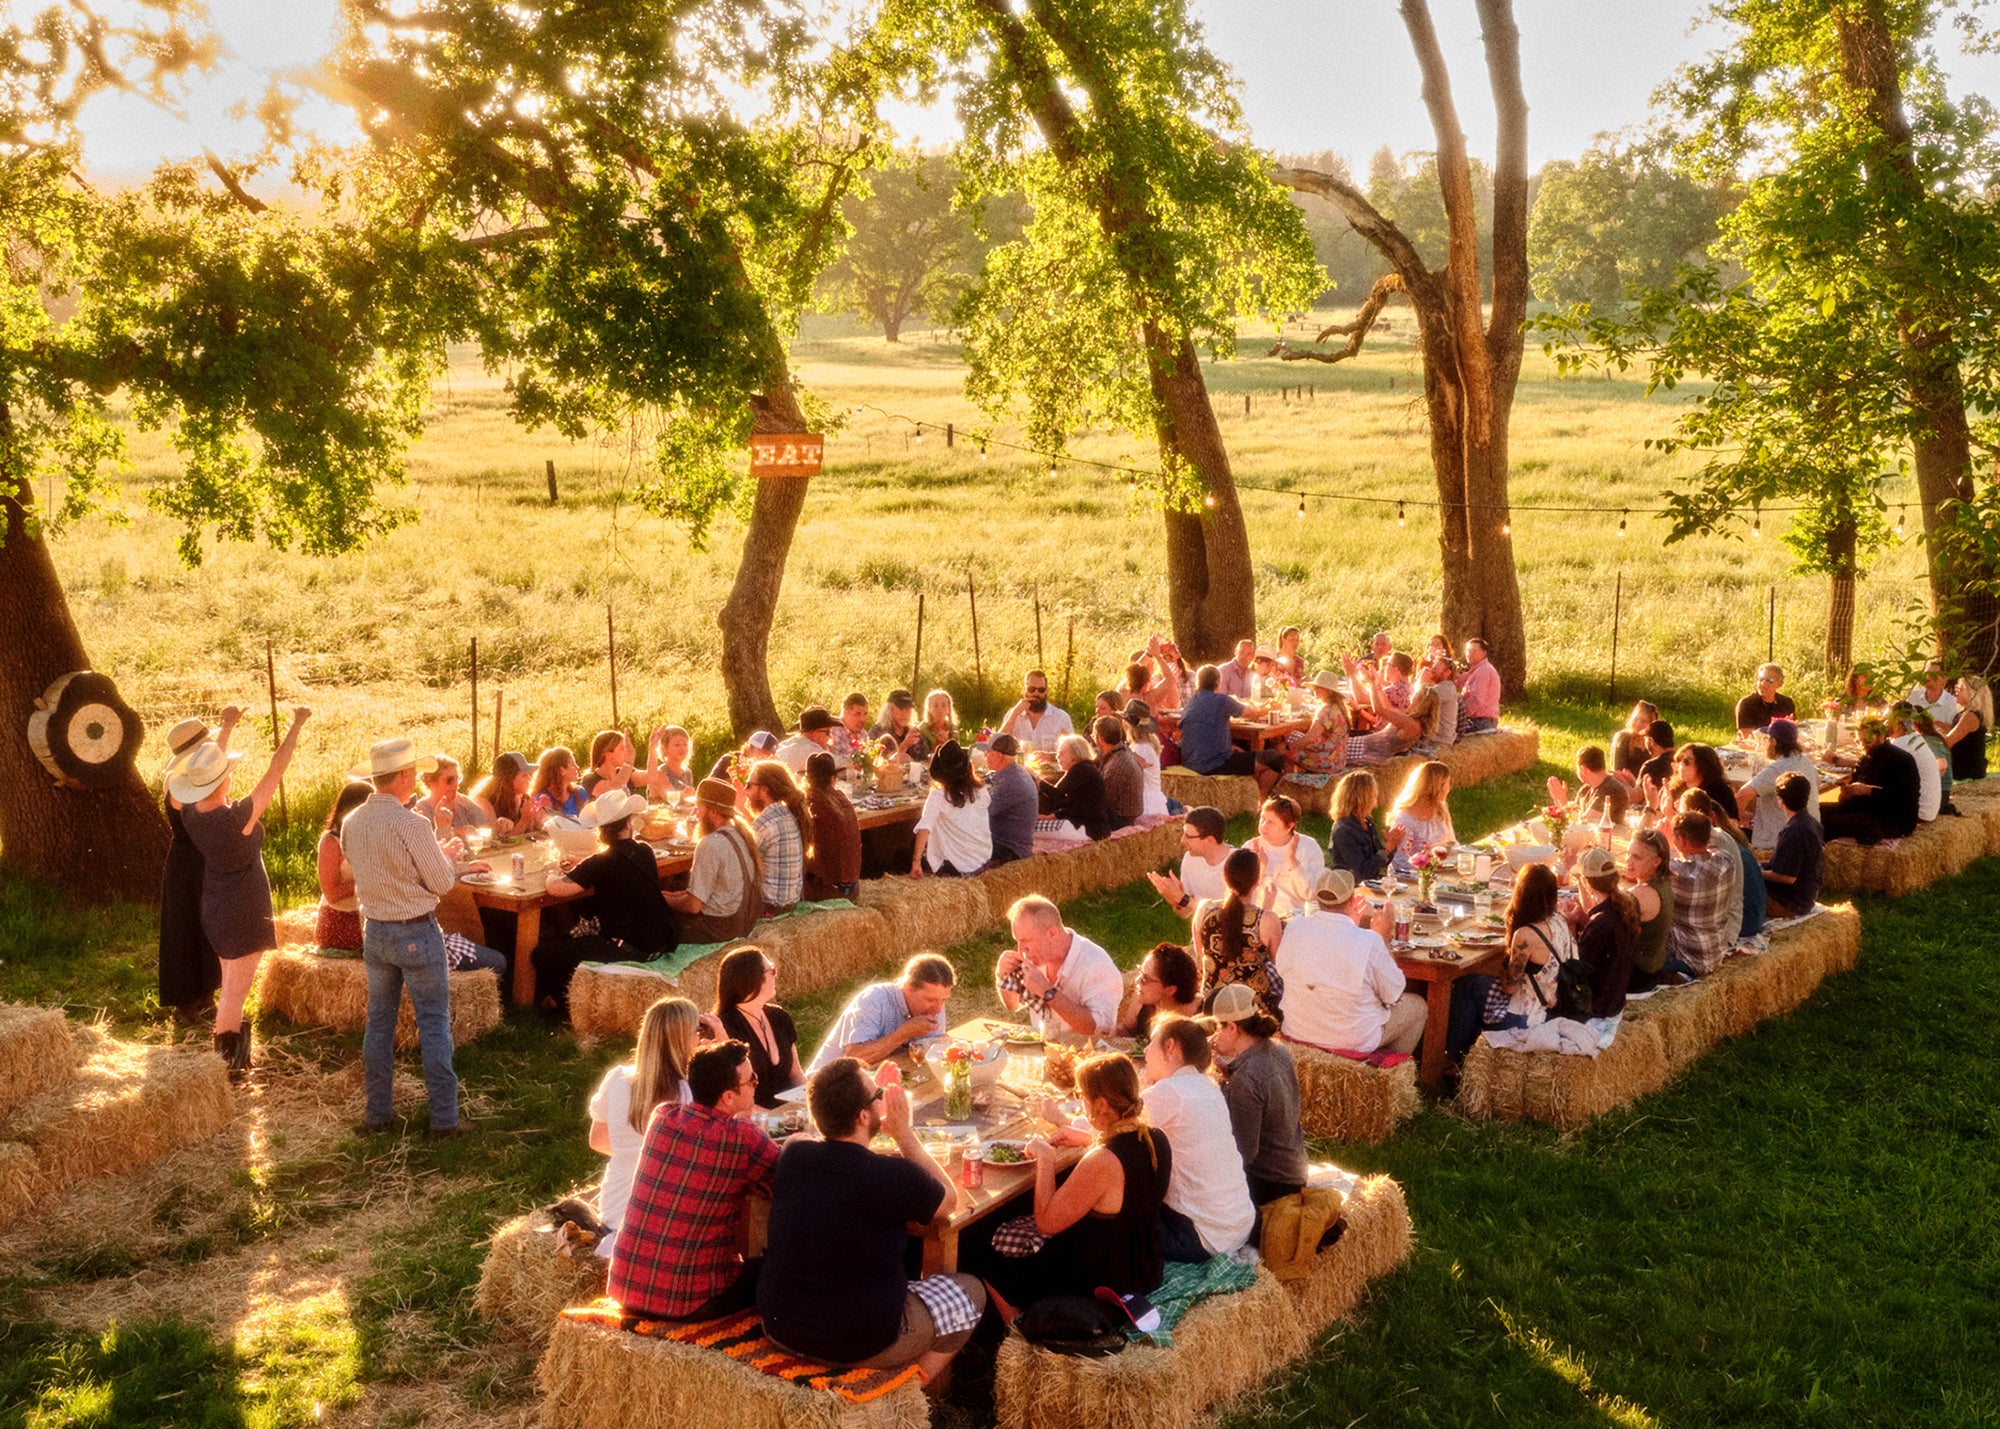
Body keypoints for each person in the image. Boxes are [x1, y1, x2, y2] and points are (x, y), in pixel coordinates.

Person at [758, 1059, 984, 1383]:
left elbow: (827, 1155)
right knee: (971, 1292)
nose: (881, 1099)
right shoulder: (894, 1176)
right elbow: (948, 1201)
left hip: (781, 1329)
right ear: (864, 1116)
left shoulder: (794, 1153)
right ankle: (900, 1392)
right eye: (877, 1094)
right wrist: (904, 1135)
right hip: (860, 1342)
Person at [975, 1054, 1170, 1316]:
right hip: (1143, 1262)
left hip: (1099, 1278)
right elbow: (1125, 1169)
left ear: (1101, 1104)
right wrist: (1090, 1139)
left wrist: (1046, 1158)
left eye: (1083, 1097)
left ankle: (1022, 1334)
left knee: (984, 1255)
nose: (1081, 1104)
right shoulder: (1155, 1138)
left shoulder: (1102, 1160)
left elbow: (1046, 1221)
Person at [343, 737, 470, 1137]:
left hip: (376, 930)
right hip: (415, 928)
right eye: (413, 771)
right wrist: (443, 857)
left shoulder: (352, 822)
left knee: (378, 1025)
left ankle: (377, 1114)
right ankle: (445, 1120)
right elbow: (442, 882)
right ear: (401, 777)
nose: (416, 777)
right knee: (433, 1024)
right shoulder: (411, 824)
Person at [173, 706, 309, 1078]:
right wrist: (296, 725)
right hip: (243, 910)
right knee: (234, 995)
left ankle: (238, 1063)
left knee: (233, 988)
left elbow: (207, 767)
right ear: (221, 782)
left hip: (216, 906)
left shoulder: (191, 812)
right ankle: (230, 1073)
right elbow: (275, 770)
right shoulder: (235, 819)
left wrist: (228, 728)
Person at [609, 1041, 779, 1320]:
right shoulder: (743, 1137)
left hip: (625, 1287)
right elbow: (793, 1180)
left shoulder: (662, 1116)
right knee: (782, 1270)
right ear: (727, 1096)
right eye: (752, 1080)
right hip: (687, 1301)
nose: (756, 1085)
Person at [536, 789, 676, 1011]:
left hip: (626, 947)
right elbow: (615, 864)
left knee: (543, 954)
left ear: (601, 831)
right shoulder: (645, 851)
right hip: (658, 941)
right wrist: (580, 863)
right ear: (627, 825)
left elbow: (556, 889)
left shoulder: (601, 863)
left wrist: (550, 871)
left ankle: (563, 1005)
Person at [589, 996, 704, 1258]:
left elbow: (597, 1140)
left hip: (616, 1208)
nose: (700, 1037)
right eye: (698, 1030)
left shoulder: (617, 1078)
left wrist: (636, 1153)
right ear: (683, 1038)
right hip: (667, 1216)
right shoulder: (691, 1091)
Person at [1140, 1016, 1256, 1262]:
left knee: (1113, 1209)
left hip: (1200, 1238)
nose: (1145, 1051)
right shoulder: (1208, 1086)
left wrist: (1060, 1119)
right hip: (1237, 1227)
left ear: (1170, 1047)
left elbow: (1110, 1127)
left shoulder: (1171, 1091)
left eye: (1151, 1043)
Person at [1275, 868, 1422, 1054]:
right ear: (1351, 898)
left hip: (1299, 1029)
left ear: (1318, 899)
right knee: (1417, 1006)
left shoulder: (1294, 926)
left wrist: (1352, 923)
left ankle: (1385, 1073)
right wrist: (1383, 936)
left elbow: (1284, 969)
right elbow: (1394, 994)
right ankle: (1388, 1069)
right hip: (1350, 1038)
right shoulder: (1370, 941)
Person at [158, 710, 241, 1019]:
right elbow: (209, 777)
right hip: (188, 862)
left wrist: (229, 726)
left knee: (208, 926)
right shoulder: (181, 783)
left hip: (200, 858)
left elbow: (213, 764)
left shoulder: (195, 773)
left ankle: (205, 996)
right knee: (186, 927)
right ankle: (186, 1002)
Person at [1446, 863, 1572, 1060]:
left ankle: (1450, 1056)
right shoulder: (1560, 921)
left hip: (1524, 1017)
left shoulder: (1525, 935)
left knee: (1468, 984)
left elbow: (1510, 988)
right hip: (1552, 1008)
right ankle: (1470, 1051)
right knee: (1480, 985)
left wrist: (1501, 970)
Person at [1205, 984, 1307, 1210]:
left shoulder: (1246, 1079)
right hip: (1293, 1169)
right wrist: (1228, 1073)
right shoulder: (1277, 1050)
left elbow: (1243, 1154)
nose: (1213, 1037)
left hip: (1268, 1185)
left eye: (1216, 1028)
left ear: (1232, 1027)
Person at [996, 895, 1124, 1036]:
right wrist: (1002, 976)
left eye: (1026, 941)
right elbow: (1013, 1005)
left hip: (1085, 1054)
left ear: (1052, 933)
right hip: (1042, 1049)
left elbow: (1100, 1030)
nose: (1021, 950)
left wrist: (1047, 992)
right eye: (1018, 941)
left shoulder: (1096, 966)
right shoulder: (1036, 957)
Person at [809, 954, 955, 1071]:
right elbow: (855, 1057)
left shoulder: (935, 1006)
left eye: (943, 1000)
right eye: (930, 1000)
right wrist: (905, 1033)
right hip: (827, 1086)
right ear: (909, 987)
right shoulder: (874, 999)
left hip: (879, 1080)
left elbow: (933, 1051)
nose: (938, 1008)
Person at [665, 779, 765, 942]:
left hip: (719, 928)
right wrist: (673, 896)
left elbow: (693, 906)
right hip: (743, 923)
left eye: (699, 807)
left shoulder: (710, 843)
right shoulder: (742, 835)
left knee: (656, 920)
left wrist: (663, 899)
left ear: (713, 812)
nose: (695, 813)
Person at [1191, 848, 1285, 1020]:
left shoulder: (1204, 909)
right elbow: (1279, 965)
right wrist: (1267, 909)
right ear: (1256, 882)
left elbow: (1199, 952)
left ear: (1224, 876)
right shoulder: (1267, 919)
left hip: (1212, 1005)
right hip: (1252, 1010)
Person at [713, 946, 801, 1107]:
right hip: (749, 1119)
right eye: (772, 970)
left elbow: (796, 1074)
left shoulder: (779, 1017)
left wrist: (810, 1107)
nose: (776, 976)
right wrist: (773, 1119)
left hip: (788, 1115)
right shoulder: (724, 1027)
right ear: (754, 979)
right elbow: (732, 1097)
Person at [1177, 664, 1283, 794]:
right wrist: (1268, 708)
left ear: (1198, 683)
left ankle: (1251, 797)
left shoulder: (1191, 703)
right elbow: (1251, 713)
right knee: (1274, 758)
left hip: (1191, 762)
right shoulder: (1222, 700)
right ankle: (1259, 800)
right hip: (1214, 765)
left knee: (1240, 751)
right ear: (1218, 683)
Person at [1662, 810, 1741, 980]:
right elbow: (1707, 851)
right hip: (1714, 951)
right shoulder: (1726, 862)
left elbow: (1654, 865)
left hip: (1686, 957)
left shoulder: (1678, 875)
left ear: (1683, 841)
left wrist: (1663, 842)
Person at [1822, 716, 1921, 846]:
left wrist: (1869, 790)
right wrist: (1847, 793)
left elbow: (1902, 799)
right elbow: (1853, 793)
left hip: (1893, 819)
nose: (1863, 745)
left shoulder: (1901, 760)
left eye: (1867, 741)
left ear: (1880, 737)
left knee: (1828, 823)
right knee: (1814, 811)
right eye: (1859, 741)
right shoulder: (1866, 758)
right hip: (1865, 810)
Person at [1568, 846, 1640, 1016]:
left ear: (1587, 882)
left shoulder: (1600, 925)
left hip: (1595, 1005)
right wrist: (1586, 921)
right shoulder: (1628, 905)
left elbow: (1577, 971)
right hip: (1614, 998)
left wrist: (1569, 929)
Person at [1737, 720, 1821, 849]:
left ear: (1774, 742)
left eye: (1768, 739)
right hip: (1810, 834)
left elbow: (1742, 795)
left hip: (1777, 841)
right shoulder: (1805, 760)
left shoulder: (1778, 768)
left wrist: (1739, 819)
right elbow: (1818, 782)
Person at [911, 740, 990, 875]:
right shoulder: (981, 790)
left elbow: (924, 829)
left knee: (901, 857)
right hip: (981, 860)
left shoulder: (938, 796)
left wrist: (915, 862)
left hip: (956, 867)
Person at [314, 781, 374, 952]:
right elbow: (331, 894)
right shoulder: (331, 842)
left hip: (370, 916)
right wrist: (369, 880)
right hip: (341, 920)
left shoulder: (372, 836)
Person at [744, 760, 809, 913]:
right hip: (790, 902)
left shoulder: (765, 823)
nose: (746, 791)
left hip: (770, 906)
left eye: (749, 785)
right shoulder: (788, 814)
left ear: (764, 790)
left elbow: (743, 866)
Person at [1245, 794, 1324, 918]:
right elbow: (1243, 893)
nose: (1263, 825)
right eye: (1262, 818)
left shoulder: (1308, 847)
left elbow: (1310, 894)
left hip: (1295, 918)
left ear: (1289, 826)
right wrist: (1260, 868)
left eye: (1270, 822)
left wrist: (1292, 862)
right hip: (1259, 917)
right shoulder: (1251, 847)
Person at [1146, 805, 1231, 917]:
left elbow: (1229, 915)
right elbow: (1184, 913)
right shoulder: (1190, 859)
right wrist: (1175, 900)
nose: (1182, 840)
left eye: (1188, 836)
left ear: (1209, 840)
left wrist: (1183, 899)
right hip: (1200, 931)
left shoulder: (1237, 863)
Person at [1760, 774, 1826, 918]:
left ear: (1781, 799)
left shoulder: (1793, 831)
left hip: (1789, 902)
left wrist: (1755, 872)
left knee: (1739, 887)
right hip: (1806, 897)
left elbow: (1787, 877)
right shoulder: (1812, 823)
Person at [1619, 828, 1676, 994]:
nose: (1628, 861)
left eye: (1636, 857)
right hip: (1652, 970)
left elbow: (1597, 922)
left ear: (1656, 861)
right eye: (1628, 853)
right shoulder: (1663, 884)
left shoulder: (1641, 894)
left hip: (1635, 977)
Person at [801, 752, 861, 900]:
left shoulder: (811, 803)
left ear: (807, 780)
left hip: (827, 891)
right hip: (853, 889)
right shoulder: (842, 799)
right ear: (832, 779)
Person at [1116, 943, 1203, 1041]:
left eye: (1145, 979)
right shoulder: (1141, 998)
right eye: (1140, 972)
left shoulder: (1199, 1015)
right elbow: (1128, 1030)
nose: (1137, 980)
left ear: (1170, 990)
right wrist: (1115, 1031)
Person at [1386, 761, 1456, 878]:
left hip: (1439, 873)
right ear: (1438, 787)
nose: (1449, 788)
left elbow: (1452, 843)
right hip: (1411, 878)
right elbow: (1400, 862)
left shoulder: (1441, 809)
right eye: (1447, 783)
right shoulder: (1405, 818)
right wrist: (1429, 868)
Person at [980, 733, 1038, 865]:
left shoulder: (1011, 782)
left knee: (958, 848)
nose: (985, 756)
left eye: (987, 753)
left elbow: (981, 815)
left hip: (1010, 849)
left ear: (999, 756)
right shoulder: (1012, 772)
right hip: (1006, 842)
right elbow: (985, 780)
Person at [1325, 771, 1392, 882]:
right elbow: (1362, 873)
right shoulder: (1344, 830)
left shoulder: (1367, 823)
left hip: (1371, 884)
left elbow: (1381, 863)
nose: (1376, 798)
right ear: (1363, 797)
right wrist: (1387, 849)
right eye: (1374, 794)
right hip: (1350, 889)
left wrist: (1390, 846)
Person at [1043, 732, 1112, 840]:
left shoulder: (1080, 770)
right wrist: (1050, 817)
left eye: (1061, 753)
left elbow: (1057, 794)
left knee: (1030, 829)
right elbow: (1074, 804)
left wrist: (1037, 781)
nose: (1057, 757)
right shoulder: (1085, 767)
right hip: (1093, 828)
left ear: (1073, 754)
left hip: (1085, 828)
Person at [1281, 671, 1350, 776]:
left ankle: (1289, 784)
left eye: (1318, 688)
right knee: (1294, 740)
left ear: (1327, 691)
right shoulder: (1339, 708)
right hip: (1338, 759)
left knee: (1284, 753)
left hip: (1326, 761)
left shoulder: (1326, 711)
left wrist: (1287, 748)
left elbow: (1310, 738)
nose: (1314, 690)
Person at [1886, 703, 1942, 824]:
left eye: (1888, 718)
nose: (1885, 723)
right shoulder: (1914, 738)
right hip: (1928, 811)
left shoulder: (1902, 744)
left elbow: (1876, 769)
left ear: (1898, 719)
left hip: (1918, 813)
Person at [998, 669, 1074, 753]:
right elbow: (997, 745)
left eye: (1041, 690)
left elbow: (1072, 753)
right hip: (1018, 765)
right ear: (1024, 690)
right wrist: (1014, 714)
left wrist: (1049, 757)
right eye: (1032, 689)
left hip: (1050, 765)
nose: (1036, 693)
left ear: (1046, 691)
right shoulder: (1013, 714)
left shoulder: (1061, 717)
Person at [470, 750, 544, 835]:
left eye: (528, 774)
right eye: (524, 775)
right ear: (508, 780)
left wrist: (537, 817)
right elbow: (497, 840)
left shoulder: (523, 797)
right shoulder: (485, 802)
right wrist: (524, 821)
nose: (530, 778)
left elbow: (529, 833)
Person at [1665, 743, 1741, 824]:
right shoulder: (1674, 789)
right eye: (1680, 760)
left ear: (1703, 767)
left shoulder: (1721, 793)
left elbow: (1731, 825)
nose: (1680, 765)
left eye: (1686, 761)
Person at [1556, 746, 1630, 827]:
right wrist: (1561, 803)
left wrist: (1562, 801)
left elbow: (1584, 824)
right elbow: (1574, 811)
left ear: (1583, 769)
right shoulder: (1586, 789)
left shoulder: (1611, 790)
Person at [1122, 700, 1172, 818]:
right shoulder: (1143, 744)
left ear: (1127, 724)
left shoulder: (1141, 748)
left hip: (1147, 805)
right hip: (1151, 800)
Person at [1094, 715, 1145, 830]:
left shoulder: (1115, 766)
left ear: (1100, 739)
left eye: (1094, 736)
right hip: (1123, 815)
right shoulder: (1121, 751)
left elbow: (1102, 802)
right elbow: (1088, 754)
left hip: (1120, 820)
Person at [415, 754, 486, 831]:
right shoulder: (421, 810)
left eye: (458, 779)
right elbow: (423, 840)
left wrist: (498, 826)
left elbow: (485, 827)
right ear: (431, 782)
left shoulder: (463, 802)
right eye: (450, 780)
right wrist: (456, 832)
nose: (456, 784)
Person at [1941, 675, 1991, 781]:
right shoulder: (1965, 713)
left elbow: (1948, 741)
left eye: (1960, 688)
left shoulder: (1970, 716)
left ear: (1972, 693)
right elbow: (1956, 730)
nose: (1956, 690)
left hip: (1966, 771)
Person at [774, 707, 838, 780]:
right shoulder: (811, 749)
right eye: (828, 732)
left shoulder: (787, 744)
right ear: (815, 734)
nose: (830, 736)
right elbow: (841, 764)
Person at [1455, 639, 1501, 734]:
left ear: (1484, 653)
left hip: (1481, 722)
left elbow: (1476, 700)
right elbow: (1459, 682)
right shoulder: (1476, 670)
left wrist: (1459, 716)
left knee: (1445, 731)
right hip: (1479, 720)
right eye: (1467, 650)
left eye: (1474, 651)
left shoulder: (1484, 671)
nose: (1469, 654)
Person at [1736, 663, 1796, 734]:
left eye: (1769, 680)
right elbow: (1747, 736)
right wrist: (1774, 729)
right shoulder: (1746, 704)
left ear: (1779, 683)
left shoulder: (1786, 703)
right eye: (1760, 680)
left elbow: (1793, 732)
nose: (1763, 684)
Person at [531, 746, 589, 819]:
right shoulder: (543, 798)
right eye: (572, 765)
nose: (577, 767)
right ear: (562, 771)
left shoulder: (580, 793)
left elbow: (588, 822)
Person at [869, 688, 923, 763]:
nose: (904, 714)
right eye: (900, 709)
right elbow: (876, 763)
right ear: (890, 710)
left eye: (907, 710)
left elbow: (924, 761)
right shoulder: (878, 731)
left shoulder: (914, 733)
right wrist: (904, 745)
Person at [1611, 700, 1659, 779]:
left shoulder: (1654, 742)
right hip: (1625, 785)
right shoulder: (1623, 738)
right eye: (1636, 719)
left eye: (1644, 722)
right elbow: (1618, 771)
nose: (1638, 724)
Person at [643, 726, 696, 797]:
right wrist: (683, 794)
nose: (682, 748)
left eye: (685, 744)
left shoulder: (687, 773)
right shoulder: (659, 773)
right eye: (677, 745)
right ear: (665, 748)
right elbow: (668, 797)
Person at [1906, 661, 1960, 726]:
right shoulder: (1913, 696)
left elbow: (1952, 730)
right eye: (1926, 674)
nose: (1927, 677)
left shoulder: (1953, 704)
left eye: (1933, 674)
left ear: (1945, 679)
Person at [831, 694, 873, 766]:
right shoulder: (833, 731)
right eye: (857, 714)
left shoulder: (864, 734)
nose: (862, 719)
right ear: (845, 713)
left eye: (865, 714)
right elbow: (832, 762)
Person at [914, 689, 958, 757]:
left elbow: (956, 754)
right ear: (929, 709)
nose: (940, 710)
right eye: (935, 706)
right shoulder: (921, 730)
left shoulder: (952, 728)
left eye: (943, 705)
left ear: (949, 709)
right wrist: (938, 743)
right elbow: (923, 757)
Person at [1638, 719, 1677, 790]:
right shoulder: (1681, 762)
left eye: (1645, 738)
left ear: (1651, 741)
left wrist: (1623, 781)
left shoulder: (1650, 767)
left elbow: (1636, 796)